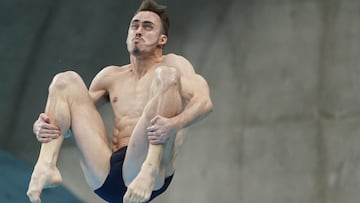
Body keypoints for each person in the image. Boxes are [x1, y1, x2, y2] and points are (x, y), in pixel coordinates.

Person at [26, 0, 213, 202]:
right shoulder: (111, 76)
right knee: (65, 81)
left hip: (149, 170)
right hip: (106, 174)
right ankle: (45, 165)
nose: (139, 31)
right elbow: (70, 122)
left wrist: (173, 125)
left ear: (162, 39)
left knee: (166, 76)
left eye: (147, 27)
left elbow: (204, 103)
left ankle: (148, 169)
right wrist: (45, 126)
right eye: (135, 25)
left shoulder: (174, 64)